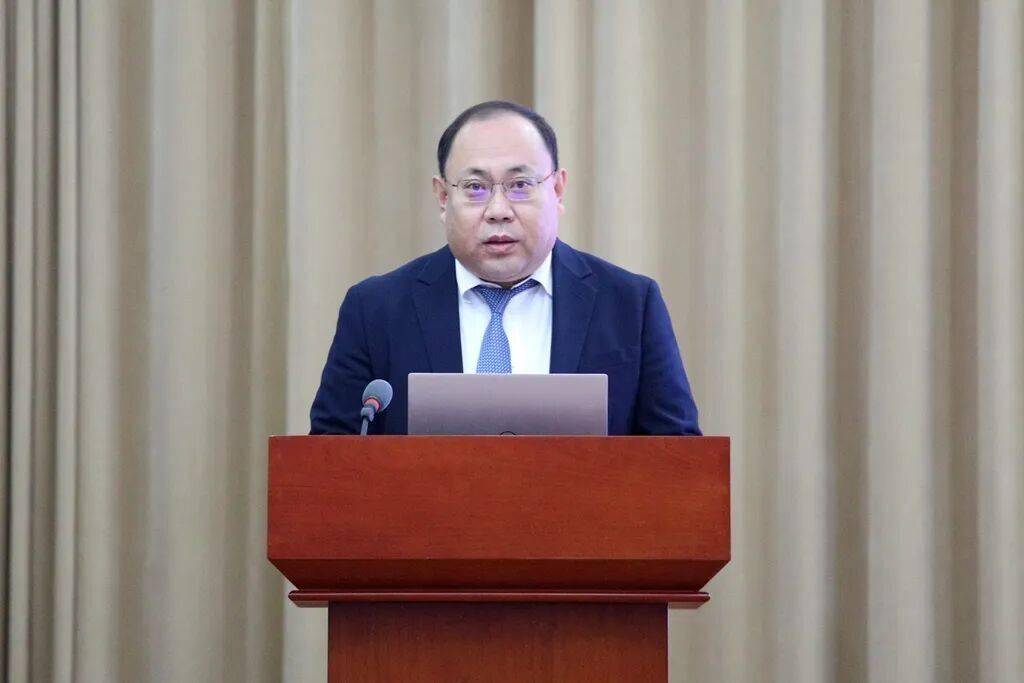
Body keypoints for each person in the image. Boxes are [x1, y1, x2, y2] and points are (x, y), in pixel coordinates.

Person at [310, 100, 700, 435]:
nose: (498, 211)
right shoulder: (376, 310)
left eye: (520, 185)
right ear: (443, 197)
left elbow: (678, 459)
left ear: (557, 190)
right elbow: (328, 460)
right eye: (475, 188)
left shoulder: (630, 306)